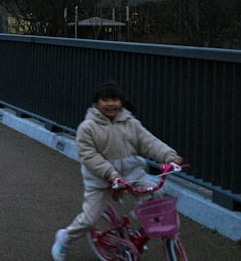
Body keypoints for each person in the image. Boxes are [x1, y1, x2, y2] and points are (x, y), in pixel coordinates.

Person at [51, 81, 184, 261]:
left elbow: (149, 142)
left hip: (131, 174)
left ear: (121, 101)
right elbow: (89, 156)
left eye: (115, 99)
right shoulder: (87, 127)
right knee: (90, 219)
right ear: (96, 103)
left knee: (156, 194)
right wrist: (110, 173)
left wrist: (169, 156)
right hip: (100, 180)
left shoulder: (131, 122)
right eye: (105, 99)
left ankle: (144, 231)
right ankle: (66, 237)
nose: (110, 104)